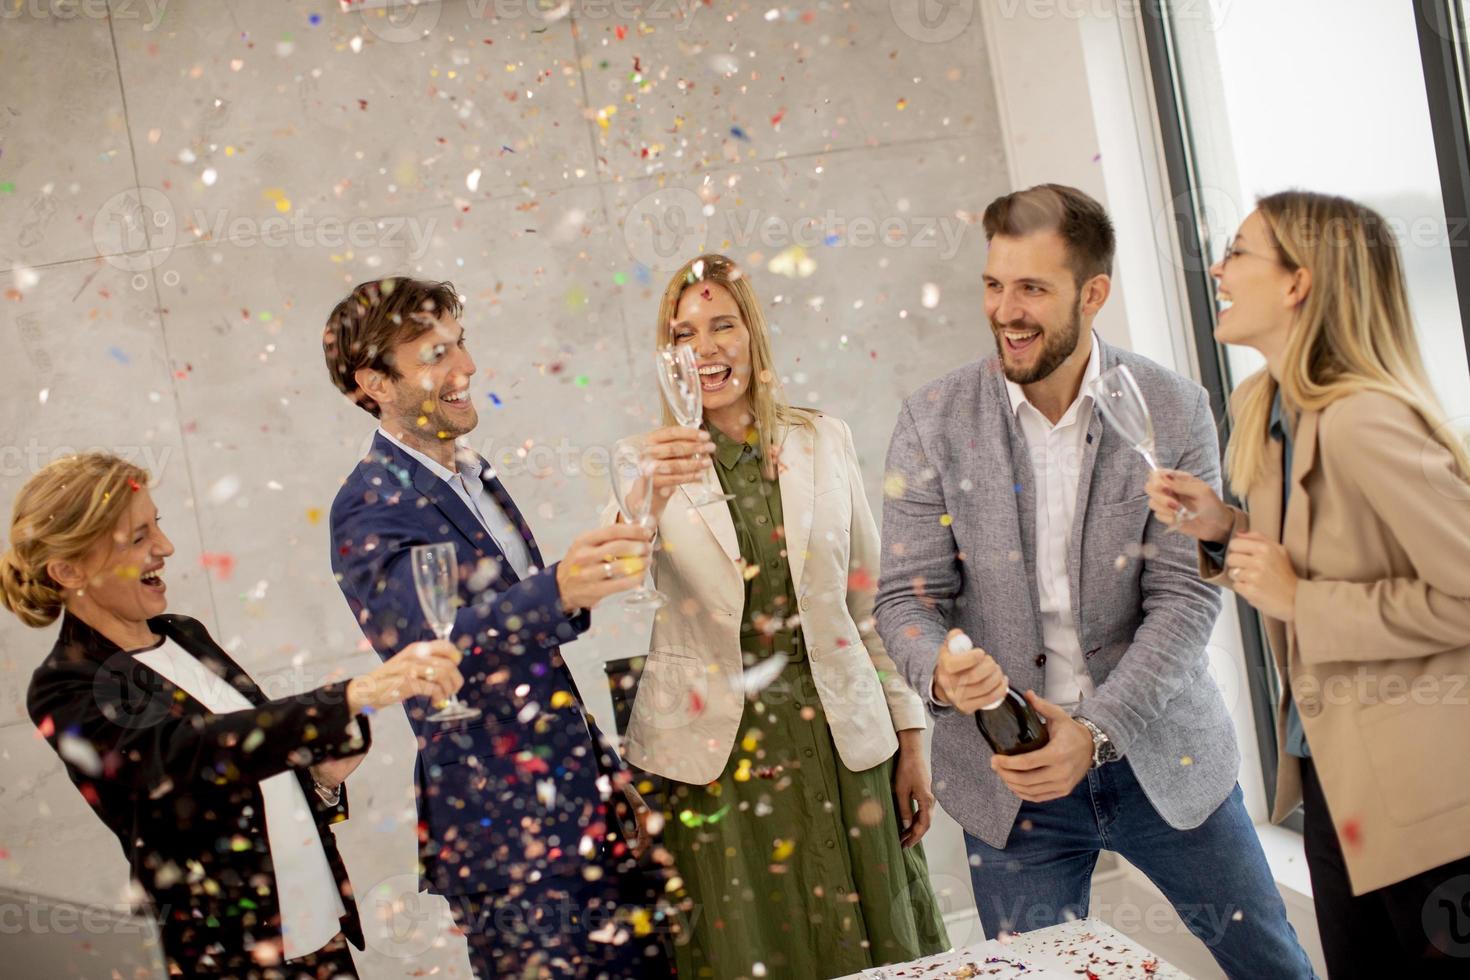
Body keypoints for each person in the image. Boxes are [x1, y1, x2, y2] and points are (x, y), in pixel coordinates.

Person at [875, 184, 1316, 978]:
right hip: (1011, 787)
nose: (1006, 310)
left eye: (1032, 289)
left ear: (1093, 293)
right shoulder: (931, 420)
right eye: (993, 284)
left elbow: (1185, 599)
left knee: (1272, 965)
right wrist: (940, 666)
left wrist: (1098, 731)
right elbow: (906, 597)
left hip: (1166, 762)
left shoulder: (1174, 409)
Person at [1145, 190, 1470, 977]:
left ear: (1299, 282)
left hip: (1430, 798)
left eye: (1239, 253)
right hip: (1333, 776)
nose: (1217, 270)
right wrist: (1225, 529)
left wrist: (1304, 604)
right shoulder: (1266, 408)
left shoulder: (1367, 419)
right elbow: (1334, 555)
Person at [607, 253, 950, 978]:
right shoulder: (643, 461)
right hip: (719, 759)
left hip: (842, 735)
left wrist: (912, 736)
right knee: (757, 949)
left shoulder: (825, 439)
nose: (705, 348)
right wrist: (649, 497)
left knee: (878, 946)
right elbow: (612, 578)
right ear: (667, 356)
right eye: (684, 334)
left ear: (752, 335)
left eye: (722, 324)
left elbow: (870, 604)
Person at [321, 277, 670, 979]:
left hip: (581, 808)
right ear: (374, 382)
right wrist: (558, 588)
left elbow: (529, 657)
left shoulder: (475, 479)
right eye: (434, 353)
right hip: (504, 834)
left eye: (462, 344)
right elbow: (430, 650)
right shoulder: (367, 506)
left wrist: (605, 772)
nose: (467, 368)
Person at [4, 452, 464, 979]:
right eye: (136, 538)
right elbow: (185, 759)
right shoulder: (67, 685)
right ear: (68, 571)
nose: (165, 547)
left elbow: (248, 761)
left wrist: (318, 782)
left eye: (158, 525)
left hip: (318, 936)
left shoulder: (186, 634)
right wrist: (348, 697)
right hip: (229, 957)